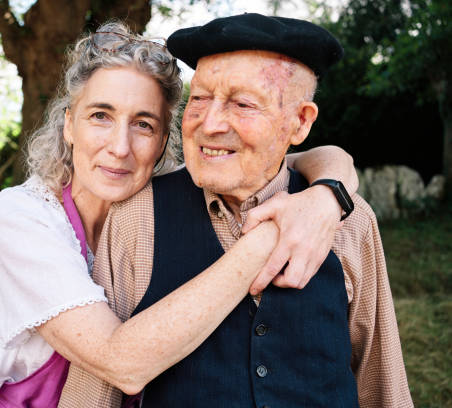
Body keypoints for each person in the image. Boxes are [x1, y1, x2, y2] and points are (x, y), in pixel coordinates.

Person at [0, 21, 359, 407]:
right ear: (69, 124)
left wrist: (327, 194)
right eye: (100, 116)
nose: (120, 147)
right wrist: (276, 232)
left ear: (164, 140)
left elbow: (277, 157)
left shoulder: (162, 201)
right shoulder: (21, 217)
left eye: (143, 124)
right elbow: (121, 365)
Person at [59, 14, 413, 408]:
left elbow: (382, 382)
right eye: (200, 98)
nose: (209, 124)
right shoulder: (138, 216)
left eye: (242, 104)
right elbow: (95, 388)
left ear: (300, 122)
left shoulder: (350, 221)